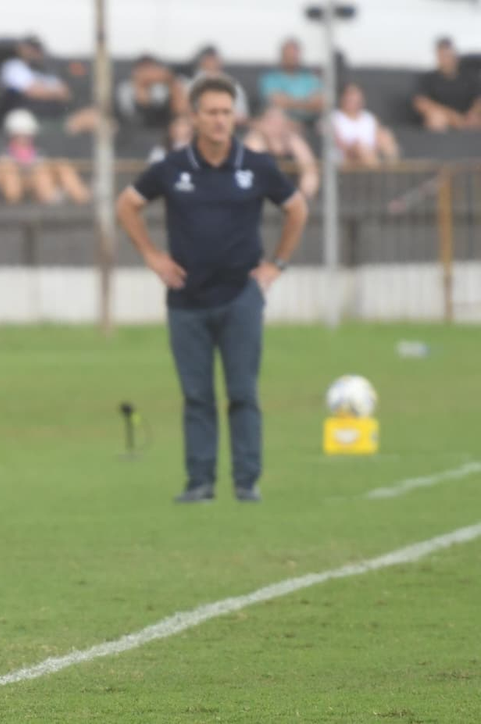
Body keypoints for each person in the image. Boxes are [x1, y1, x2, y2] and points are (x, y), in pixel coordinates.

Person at [115, 75, 308, 503]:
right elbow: (127, 204)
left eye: (226, 112)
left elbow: (296, 208)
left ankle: (246, 481)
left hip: (242, 294)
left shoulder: (256, 165)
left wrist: (276, 265)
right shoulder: (172, 167)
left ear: (235, 116)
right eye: (212, 112)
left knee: (242, 392)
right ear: (195, 117)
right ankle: (199, 482)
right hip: (185, 299)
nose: (220, 121)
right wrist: (151, 254)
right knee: (197, 396)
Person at [0, 107, 90, 205]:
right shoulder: (4, 157)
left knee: (60, 165)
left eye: (27, 135)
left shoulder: (38, 155)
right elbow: (9, 187)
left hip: (40, 189)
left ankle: (80, 201)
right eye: (19, 136)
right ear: (11, 136)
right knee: (12, 174)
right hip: (15, 194)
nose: (24, 139)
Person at [243, 106, 319, 199]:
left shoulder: (293, 140)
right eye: (272, 121)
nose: (277, 125)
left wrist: (303, 195)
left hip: (292, 196)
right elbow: (252, 170)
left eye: (280, 121)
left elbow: (309, 169)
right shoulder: (255, 140)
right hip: (262, 197)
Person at [413, 37, 481, 132]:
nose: (445, 59)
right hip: (445, 117)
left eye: (447, 55)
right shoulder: (429, 78)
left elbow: (478, 98)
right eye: (441, 55)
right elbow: (421, 103)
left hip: (468, 119)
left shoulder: (469, 77)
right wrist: (452, 117)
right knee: (436, 119)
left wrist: (473, 113)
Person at [331, 82, 400, 167]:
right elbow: (341, 145)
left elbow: (380, 138)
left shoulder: (369, 117)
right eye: (349, 95)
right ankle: (378, 173)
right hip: (345, 159)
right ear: (342, 97)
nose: (352, 98)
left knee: (386, 137)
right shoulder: (334, 117)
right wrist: (360, 149)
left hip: (370, 155)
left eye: (355, 95)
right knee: (360, 148)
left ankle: (393, 171)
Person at [259, 38, 323, 125]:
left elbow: (320, 102)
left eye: (294, 54)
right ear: (282, 55)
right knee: (275, 114)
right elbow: (277, 102)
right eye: (288, 54)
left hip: (312, 121)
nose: (291, 57)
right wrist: (307, 103)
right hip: (283, 122)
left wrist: (290, 102)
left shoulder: (310, 77)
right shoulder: (271, 78)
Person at [115, 54, 188, 129]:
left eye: (152, 69)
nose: (150, 74)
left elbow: (180, 109)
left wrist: (169, 79)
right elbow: (132, 115)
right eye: (146, 70)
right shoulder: (126, 90)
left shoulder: (161, 88)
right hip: (135, 130)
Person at [182, 45, 248, 124]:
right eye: (208, 59)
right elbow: (184, 112)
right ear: (201, 62)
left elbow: (242, 116)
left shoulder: (232, 84)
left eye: (214, 59)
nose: (212, 63)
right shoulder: (190, 85)